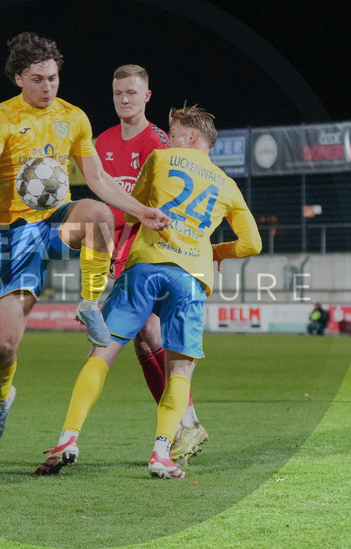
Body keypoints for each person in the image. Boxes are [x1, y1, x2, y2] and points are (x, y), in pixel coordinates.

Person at [0, 33, 169, 448]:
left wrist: (141, 210)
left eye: (54, 78)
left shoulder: (74, 117)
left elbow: (98, 179)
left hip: (58, 219)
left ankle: (90, 304)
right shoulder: (1, 118)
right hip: (17, 233)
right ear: (19, 78)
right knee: (2, 347)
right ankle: (2, 396)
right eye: (38, 79)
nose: (48, 87)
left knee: (97, 212)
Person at [35, 104, 262, 479]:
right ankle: (161, 454)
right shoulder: (228, 185)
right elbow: (252, 243)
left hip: (144, 268)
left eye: (174, 133)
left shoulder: (159, 159)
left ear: (191, 136)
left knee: (101, 353)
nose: (168, 139)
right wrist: (216, 251)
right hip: (190, 278)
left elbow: (134, 212)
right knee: (181, 369)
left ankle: (68, 439)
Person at [94, 64, 206, 464]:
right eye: (118, 93)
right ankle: (180, 424)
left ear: (146, 96)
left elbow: (163, 201)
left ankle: (185, 422)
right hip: (119, 249)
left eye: (131, 93)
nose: (124, 99)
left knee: (149, 334)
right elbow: (106, 201)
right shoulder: (103, 141)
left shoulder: (157, 141)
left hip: (150, 249)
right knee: (144, 340)